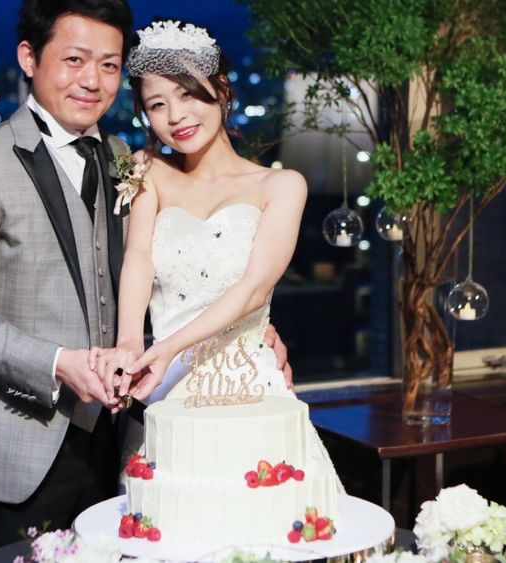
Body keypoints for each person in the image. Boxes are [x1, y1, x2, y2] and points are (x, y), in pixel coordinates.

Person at [0, 3, 293, 556]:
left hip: (121, 440)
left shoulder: (129, 161)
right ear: (29, 57)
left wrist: (250, 333)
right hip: (17, 451)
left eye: (109, 65)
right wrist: (57, 364)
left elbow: (177, 268)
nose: (92, 81)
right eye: (74, 60)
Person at [92, 21, 341, 487]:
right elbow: (138, 256)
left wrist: (165, 349)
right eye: (157, 105)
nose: (176, 116)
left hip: (250, 385)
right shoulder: (148, 170)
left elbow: (254, 289)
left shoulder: (280, 185)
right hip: (164, 388)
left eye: (187, 94)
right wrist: (129, 343)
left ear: (221, 90)